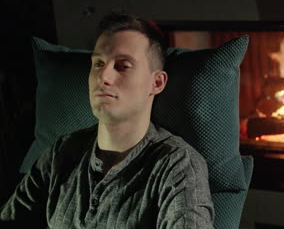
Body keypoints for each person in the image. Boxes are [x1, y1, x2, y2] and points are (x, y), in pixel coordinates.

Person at [0, 12, 214, 228]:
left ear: (157, 82)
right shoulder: (61, 153)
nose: (104, 77)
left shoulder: (177, 165)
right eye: (98, 64)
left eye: (123, 66)